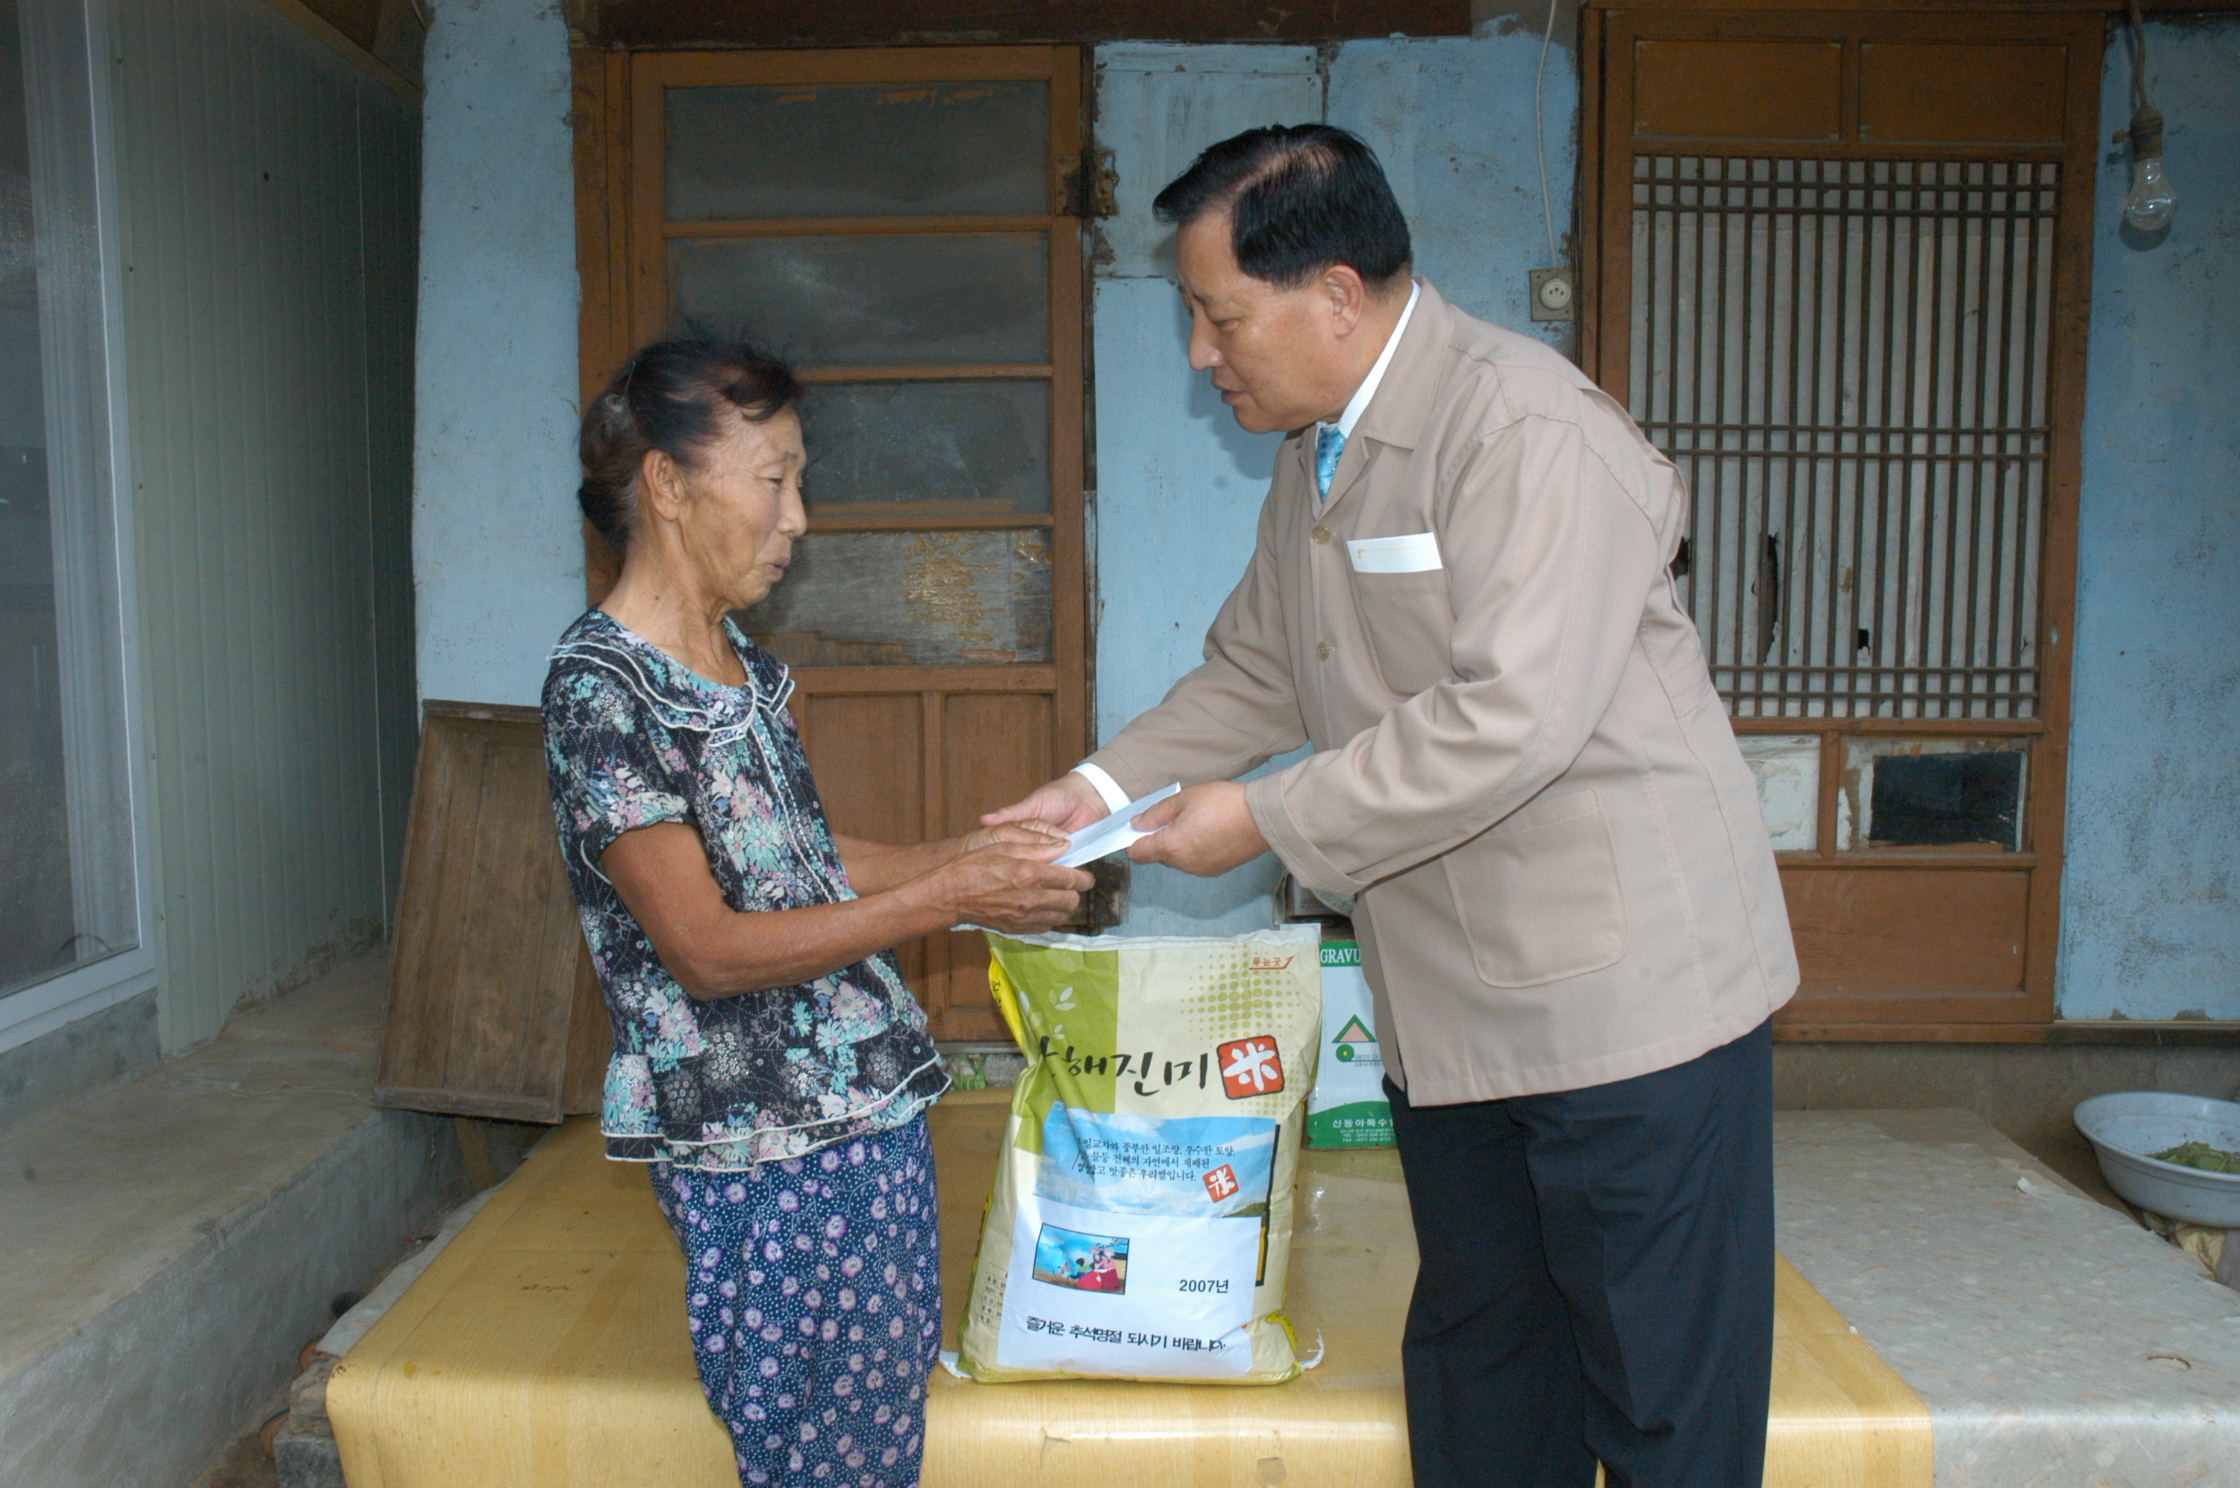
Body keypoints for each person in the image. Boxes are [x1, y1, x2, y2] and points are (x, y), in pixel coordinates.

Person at [985, 126, 1798, 1487]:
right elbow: (1259, 667)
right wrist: (1099, 787)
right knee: (1488, 1373)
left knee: (1661, 1401)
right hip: (1458, 1008)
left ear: (1340, 293)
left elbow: (1509, 719)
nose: (1202, 352)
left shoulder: (1526, 429)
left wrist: (1258, 821)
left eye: (1218, 314)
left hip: (1629, 1012)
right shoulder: (1319, 456)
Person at [542, 336, 1091, 1488]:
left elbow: (786, 859)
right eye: (775, 478)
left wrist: (973, 859)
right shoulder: (604, 689)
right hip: (765, 1156)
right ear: (667, 484)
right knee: (813, 1463)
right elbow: (704, 947)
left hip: (858, 1118)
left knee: (868, 1446)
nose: (799, 517)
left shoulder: (736, 663)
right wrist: (946, 897)